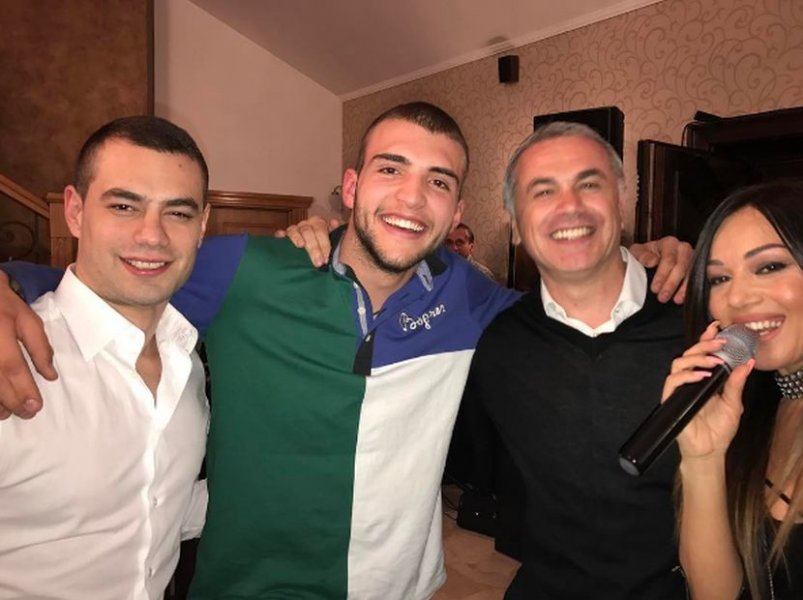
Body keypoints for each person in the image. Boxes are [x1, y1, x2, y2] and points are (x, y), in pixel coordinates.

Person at [0, 103, 690, 599]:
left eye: (438, 181)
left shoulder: (473, 300)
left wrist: (644, 258)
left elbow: (571, 303)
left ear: (457, 212)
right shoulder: (248, 269)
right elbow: (111, 277)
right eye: (391, 169)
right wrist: (4, 285)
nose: (411, 197)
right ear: (353, 187)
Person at [462, 121, 690, 598]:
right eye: (543, 191)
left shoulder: (698, 319)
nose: (569, 206)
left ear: (621, 202)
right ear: (516, 224)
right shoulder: (496, 344)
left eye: (589, 184)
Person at [0, 116, 210, 598]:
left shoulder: (188, 362)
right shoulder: (14, 358)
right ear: (75, 211)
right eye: (123, 206)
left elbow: (161, 508)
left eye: (178, 213)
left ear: (202, 226)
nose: (152, 235)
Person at [664, 181, 803, 600]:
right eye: (720, 278)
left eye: (769, 266)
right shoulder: (754, 407)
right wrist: (702, 459)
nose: (737, 298)